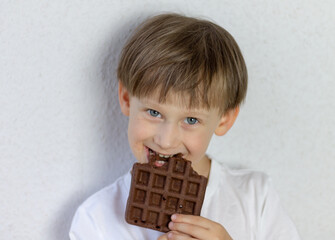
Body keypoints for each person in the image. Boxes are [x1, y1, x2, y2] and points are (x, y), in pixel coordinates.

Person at [69, 13, 301, 240]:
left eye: (191, 120)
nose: (166, 140)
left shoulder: (255, 198)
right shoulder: (95, 219)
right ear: (127, 99)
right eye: (154, 112)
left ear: (224, 120)